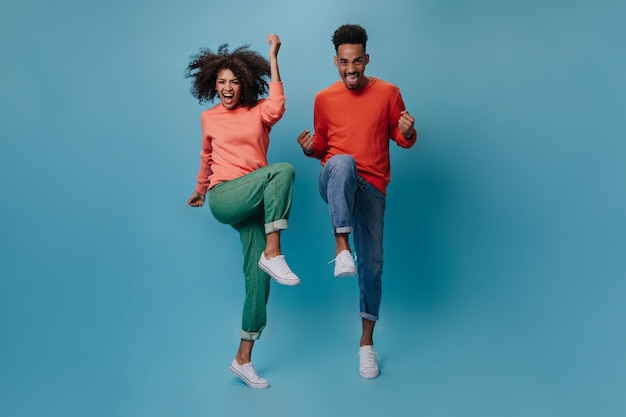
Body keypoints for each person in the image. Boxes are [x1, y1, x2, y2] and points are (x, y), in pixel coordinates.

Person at [296, 24, 417, 379]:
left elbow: (401, 137)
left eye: (357, 61)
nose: (352, 69)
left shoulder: (389, 93)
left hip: (373, 187)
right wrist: (310, 149)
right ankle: (341, 248)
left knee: (374, 266)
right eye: (344, 62)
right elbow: (321, 146)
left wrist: (408, 131)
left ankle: (366, 345)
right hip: (337, 179)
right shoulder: (324, 98)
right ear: (336, 61)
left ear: (366, 59)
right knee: (343, 161)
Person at [187, 34, 299, 389]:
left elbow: (278, 105)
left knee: (258, 283)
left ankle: (243, 359)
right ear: (212, 86)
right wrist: (201, 190)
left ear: (245, 83)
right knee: (282, 171)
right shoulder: (209, 118)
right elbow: (207, 157)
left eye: (234, 81)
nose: (227, 87)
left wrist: (274, 57)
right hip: (225, 197)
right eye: (221, 82)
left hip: (256, 202)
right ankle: (274, 251)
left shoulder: (259, 111)